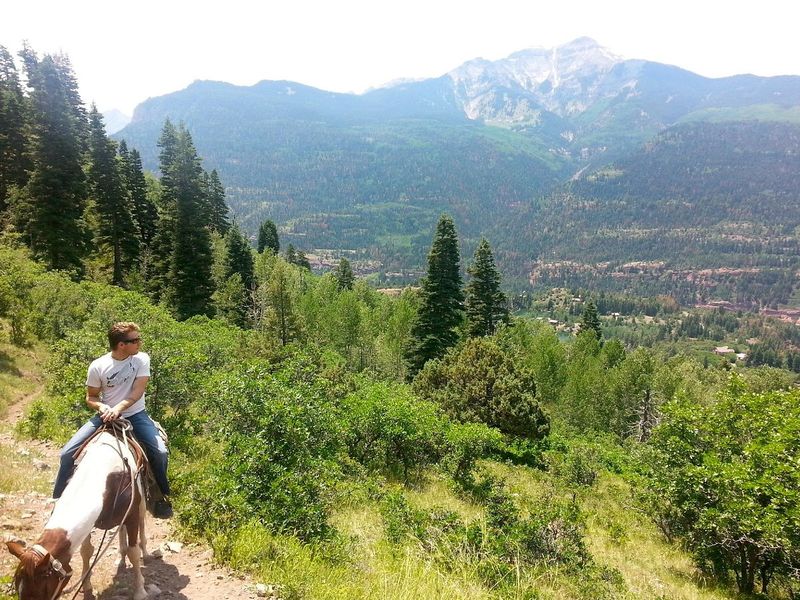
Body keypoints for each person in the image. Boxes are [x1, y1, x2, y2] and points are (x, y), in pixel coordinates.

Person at [52, 322, 173, 519]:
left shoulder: (141, 359)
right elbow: (91, 397)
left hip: (135, 414)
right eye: (134, 340)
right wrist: (103, 407)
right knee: (67, 453)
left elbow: (138, 391)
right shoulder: (98, 366)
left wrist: (118, 408)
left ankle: (159, 497)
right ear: (121, 345)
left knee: (159, 451)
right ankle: (59, 501)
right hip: (106, 416)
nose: (139, 343)